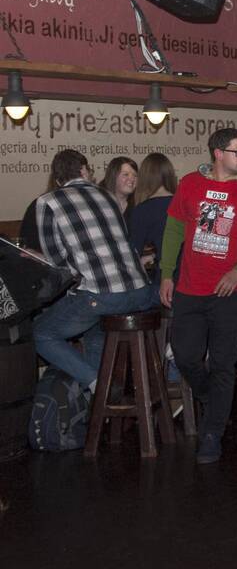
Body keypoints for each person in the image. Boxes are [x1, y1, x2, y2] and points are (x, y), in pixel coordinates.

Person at [159, 129, 237, 464]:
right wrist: (166, 273)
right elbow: (174, 230)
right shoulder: (190, 184)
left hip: (230, 291)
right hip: (189, 288)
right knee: (185, 355)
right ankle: (213, 398)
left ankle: (212, 434)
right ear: (218, 153)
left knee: (224, 362)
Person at [32, 150, 157, 391]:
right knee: (95, 328)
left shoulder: (48, 201)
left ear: (57, 178)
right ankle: (101, 402)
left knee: (42, 334)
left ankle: (100, 387)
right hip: (142, 291)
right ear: (83, 170)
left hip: (102, 296)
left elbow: (56, 260)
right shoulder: (108, 196)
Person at [127, 153, 178, 284]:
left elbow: (134, 253)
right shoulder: (183, 203)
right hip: (190, 277)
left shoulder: (142, 210)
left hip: (164, 279)